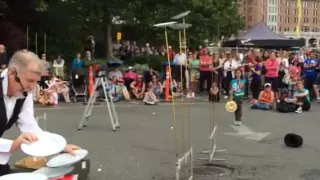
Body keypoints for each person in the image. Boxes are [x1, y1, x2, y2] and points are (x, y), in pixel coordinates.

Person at [0, 50, 80, 175]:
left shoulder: (24, 91)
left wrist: (59, 147)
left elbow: (29, 126)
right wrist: (12, 145)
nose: (33, 87)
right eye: (30, 80)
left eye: (36, 81)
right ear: (12, 73)